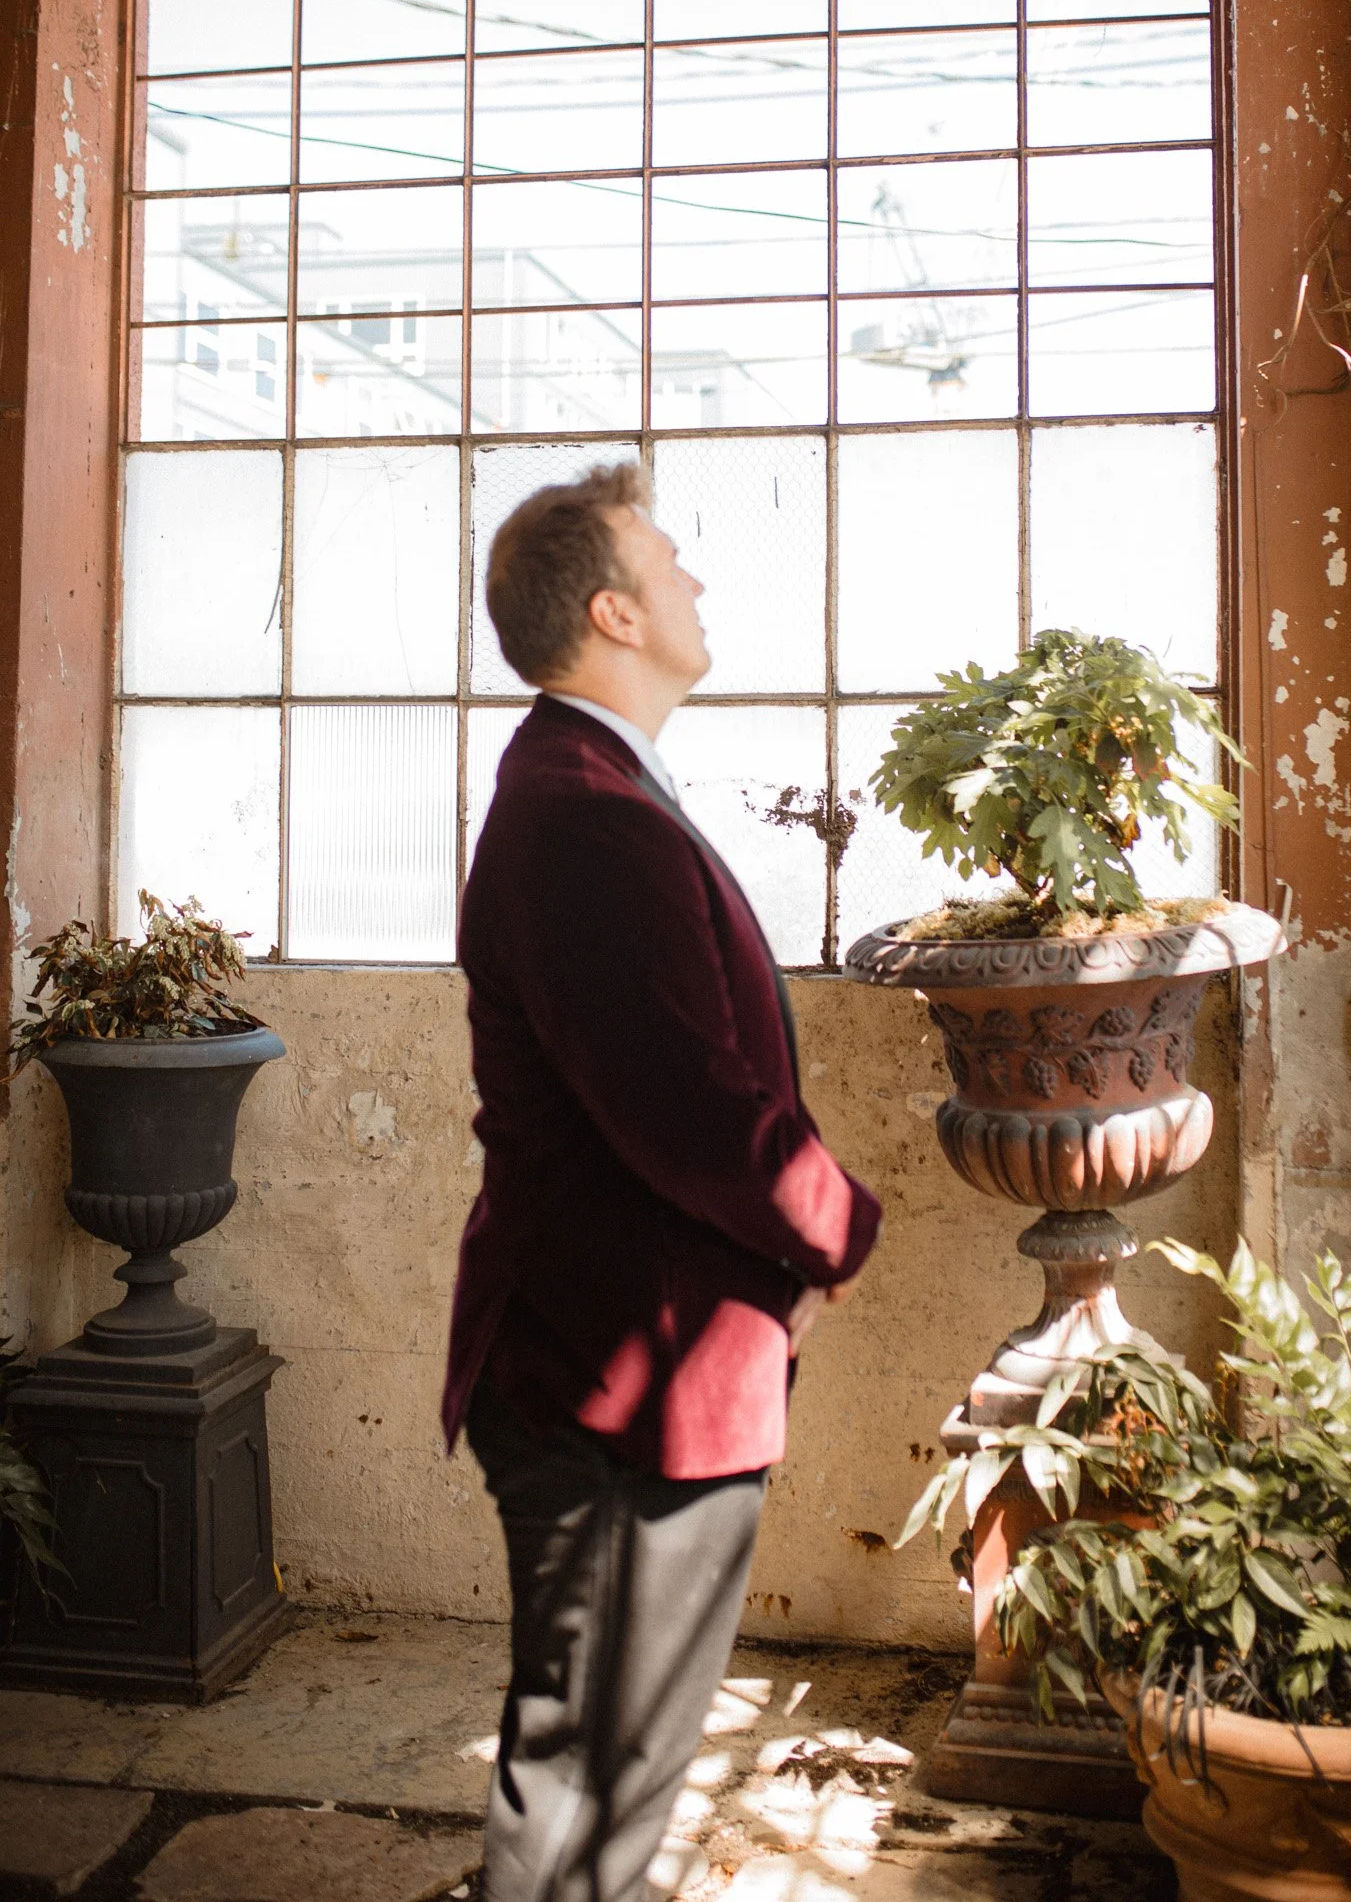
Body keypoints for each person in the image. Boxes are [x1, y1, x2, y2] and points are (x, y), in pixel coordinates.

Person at [443, 461, 881, 1902]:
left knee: (605, 1795)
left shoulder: (598, 786)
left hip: (646, 1372)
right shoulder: (583, 813)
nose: (698, 579)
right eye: (671, 561)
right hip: (613, 1392)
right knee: (585, 1805)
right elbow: (694, 1113)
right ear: (615, 613)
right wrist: (836, 1232)